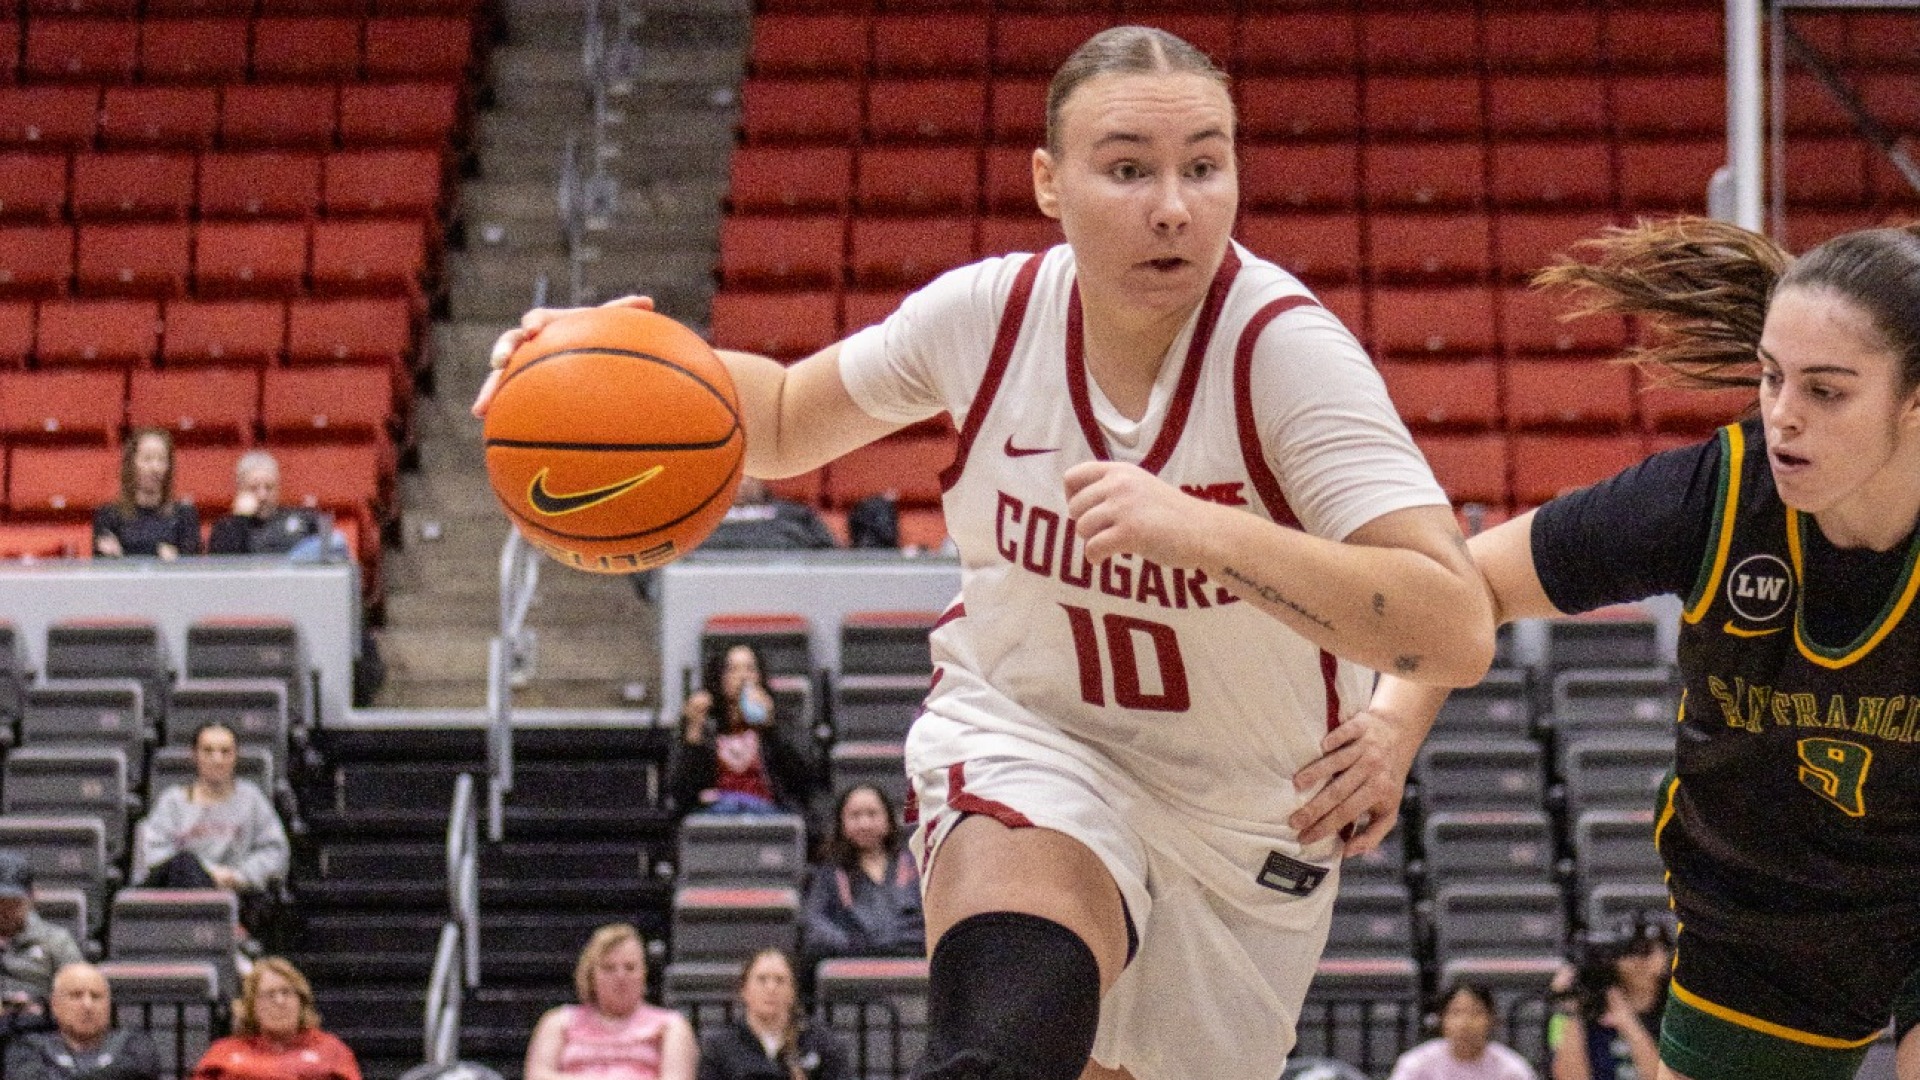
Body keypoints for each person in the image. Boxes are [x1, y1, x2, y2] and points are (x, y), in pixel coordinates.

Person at [478, 26, 1493, 1080]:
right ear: (1049, 183)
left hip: (1246, 816)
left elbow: (1454, 622)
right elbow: (779, 417)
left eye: (1204, 164)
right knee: (999, 1046)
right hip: (1032, 731)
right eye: (1129, 168)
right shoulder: (988, 314)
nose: (1174, 205)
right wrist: (602, 367)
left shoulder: (1284, 353)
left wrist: (1212, 539)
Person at [1314, 218, 1920, 1080]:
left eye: (1826, 392)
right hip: (1758, 909)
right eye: (1772, 377)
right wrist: (1390, 733)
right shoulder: (1712, 496)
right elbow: (1463, 587)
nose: (1782, 417)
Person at [135, 721, 289, 950]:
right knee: (183, 862)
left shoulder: (252, 800)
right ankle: (226, 932)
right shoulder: (173, 801)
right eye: (208, 751)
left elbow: (275, 851)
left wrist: (239, 876)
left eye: (225, 752)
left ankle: (224, 929)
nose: (217, 759)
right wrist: (209, 874)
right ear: (194, 756)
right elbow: (154, 854)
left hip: (238, 896)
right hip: (177, 900)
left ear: (235, 757)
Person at [523, 924, 695, 1080]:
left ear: (644, 972)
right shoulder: (558, 1022)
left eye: (630, 967)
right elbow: (537, 1076)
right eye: (608, 968)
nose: (620, 977)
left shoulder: (671, 1026)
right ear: (591, 975)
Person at [666, 644, 814, 816]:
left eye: (750, 669)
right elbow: (680, 794)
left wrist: (771, 729)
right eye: (732, 670)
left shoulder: (781, 720)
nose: (743, 677)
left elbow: (803, 783)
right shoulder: (704, 723)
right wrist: (693, 733)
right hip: (714, 817)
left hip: (769, 815)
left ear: (760, 676)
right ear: (719, 678)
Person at [801, 785, 923, 968]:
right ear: (841, 823)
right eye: (855, 816)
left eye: (872, 814)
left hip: (911, 966)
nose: (864, 824)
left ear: (889, 819)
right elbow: (815, 923)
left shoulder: (914, 864)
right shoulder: (830, 872)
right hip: (853, 970)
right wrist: (854, 945)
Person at [191, 958, 358, 1080]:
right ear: (252, 1005)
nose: (280, 1001)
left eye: (286, 992)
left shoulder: (332, 1050)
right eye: (269, 994)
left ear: (301, 1001)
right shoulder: (223, 1053)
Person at [695, 950, 849, 1080]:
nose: (771, 988)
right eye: (761, 980)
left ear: (793, 991)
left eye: (780, 980)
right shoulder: (719, 1047)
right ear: (744, 990)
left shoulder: (822, 1043)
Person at [1548, 917, 1670, 1080]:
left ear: (1667, 955)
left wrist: (1627, 1022)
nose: (1637, 961)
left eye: (1646, 951)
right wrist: (1572, 1011)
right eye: (1629, 951)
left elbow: (1662, 1077)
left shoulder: (1677, 1013)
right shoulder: (1588, 1005)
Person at [6, 963, 162, 1080]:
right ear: (55, 1005)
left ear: (109, 1005)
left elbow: (139, 1073)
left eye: (96, 996)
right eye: (76, 995)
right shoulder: (28, 1047)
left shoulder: (133, 1045)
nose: (87, 1005)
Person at [1389, 981, 1536, 1080]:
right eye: (1456, 1013)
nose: (1465, 1023)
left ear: (1492, 1020)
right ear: (1441, 1020)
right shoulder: (1416, 1064)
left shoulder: (1512, 1070)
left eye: (1475, 1013)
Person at [92, 428, 199, 559]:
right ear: (131, 464)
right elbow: (104, 565)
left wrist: (124, 552)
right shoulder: (109, 515)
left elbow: (190, 566)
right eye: (147, 459)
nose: (155, 467)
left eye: (161, 460)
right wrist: (157, 552)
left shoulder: (184, 515)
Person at [0, 852, 85, 1010]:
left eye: (13, 903)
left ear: (32, 898)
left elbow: (80, 995)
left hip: (38, 1027)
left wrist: (44, 1008)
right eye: (0, 902)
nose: (4, 910)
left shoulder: (56, 941)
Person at [207, 451, 334, 556]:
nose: (262, 496)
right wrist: (240, 519)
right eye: (253, 488)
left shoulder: (304, 520)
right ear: (240, 490)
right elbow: (222, 569)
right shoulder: (225, 528)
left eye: (269, 487)